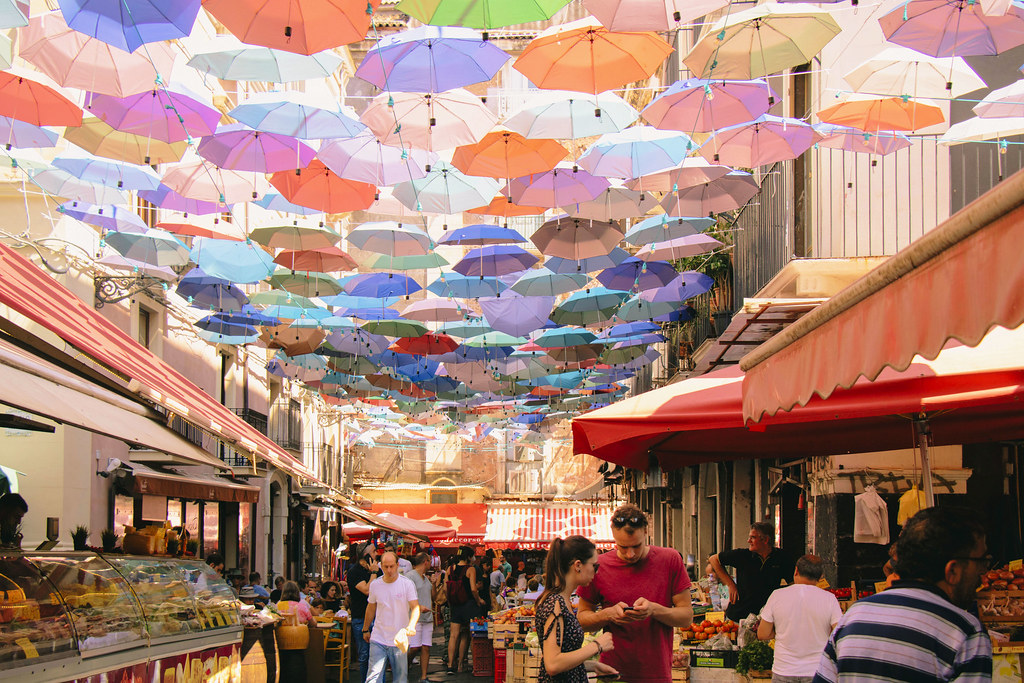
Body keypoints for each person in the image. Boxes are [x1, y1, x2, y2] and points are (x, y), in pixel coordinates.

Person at [813, 507, 992, 682]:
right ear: (952, 570)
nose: (983, 573)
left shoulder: (854, 616)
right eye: (982, 562)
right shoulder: (965, 632)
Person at [577, 504, 693, 683]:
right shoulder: (598, 566)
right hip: (611, 673)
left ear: (646, 532)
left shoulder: (670, 560)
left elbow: (686, 617)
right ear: (613, 536)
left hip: (656, 674)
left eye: (636, 546)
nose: (630, 554)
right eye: (623, 547)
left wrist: (653, 610)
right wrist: (607, 615)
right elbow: (581, 620)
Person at [535, 536, 617, 683]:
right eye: (594, 566)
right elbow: (553, 664)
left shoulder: (561, 601)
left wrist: (594, 666)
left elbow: (564, 657)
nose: (596, 572)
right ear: (578, 565)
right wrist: (597, 646)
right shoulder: (555, 603)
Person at [757, 555, 842, 683]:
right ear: (820, 577)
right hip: (817, 671)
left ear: (796, 571)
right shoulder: (830, 599)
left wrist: (781, 631)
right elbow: (838, 635)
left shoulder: (777, 596)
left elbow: (762, 634)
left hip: (783, 670)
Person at [708, 522, 795, 622]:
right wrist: (730, 584)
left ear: (765, 540)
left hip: (766, 618)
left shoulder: (782, 558)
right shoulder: (743, 555)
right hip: (739, 617)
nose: (748, 541)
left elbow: (793, 584)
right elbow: (714, 559)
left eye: (753, 537)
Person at [364, 551, 420, 683]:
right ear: (381, 566)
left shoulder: (407, 584)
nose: (389, 570)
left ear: (397, 565)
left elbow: (415, 607)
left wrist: (411, 626)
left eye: (392, 566)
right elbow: (371, 607)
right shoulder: (375, 585)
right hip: (378, 637)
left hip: (399, 639)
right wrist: (365, 628)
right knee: (373, 676)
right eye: (386, 567)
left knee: (400, 678)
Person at [446, 545, 483, 675]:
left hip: (455, 606)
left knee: (453, 635)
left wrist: (450, 601)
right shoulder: (470, 569)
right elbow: (473, 588)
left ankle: (450, 665)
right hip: (469, 605)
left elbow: (446, 589)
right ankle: (465, 664)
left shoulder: (450, 569)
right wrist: (479, 600)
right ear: (468, 557)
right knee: (470, 635)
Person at [348, 543, 380, 683]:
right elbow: (367, 590)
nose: (376, 554)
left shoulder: (377, 570)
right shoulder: (354, 571)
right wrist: (373, 573)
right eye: (373, 552)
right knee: (365, 655)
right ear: (365, 556)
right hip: (361, 618)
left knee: (379, 655)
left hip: (378, 618)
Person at [404, 552, 436, 683]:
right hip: (415, 617)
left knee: (426, 646)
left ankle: (423, 676)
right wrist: (418, 606)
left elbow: (433, 596)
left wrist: (434, 583)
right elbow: (405, 597)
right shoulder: (410, 577)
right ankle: (404, 663)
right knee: (415, 647)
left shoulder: (425, 578)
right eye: (429, 561)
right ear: (425, 562)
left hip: (428, 617)